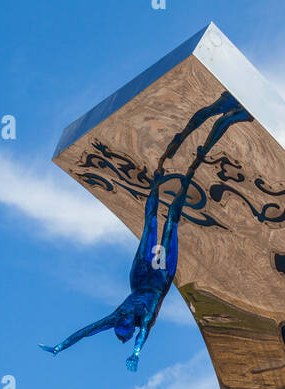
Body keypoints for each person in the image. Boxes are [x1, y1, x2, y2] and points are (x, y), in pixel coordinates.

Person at [39, 94, 250, 373]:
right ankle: (218, 133)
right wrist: (136, 353)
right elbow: (141, 338)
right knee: (171, 221)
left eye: (121, 320)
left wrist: (59, 347)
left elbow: (86, 332)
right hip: (160, 277)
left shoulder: (115, 316)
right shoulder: (145, 318)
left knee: (151, 220)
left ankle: (162, 169)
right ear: (132, 325)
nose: (124, 316)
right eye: (127, 322)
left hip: (139, 277)